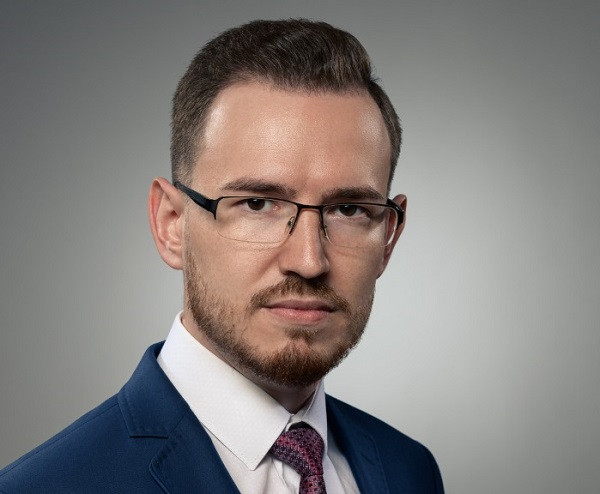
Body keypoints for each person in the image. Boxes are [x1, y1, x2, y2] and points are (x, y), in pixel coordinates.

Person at [0, 19, 444, 493]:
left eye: (349, 209)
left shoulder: (409, 470)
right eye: (258, 204)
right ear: (172, 224)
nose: (309, 260)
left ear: (389, 237)